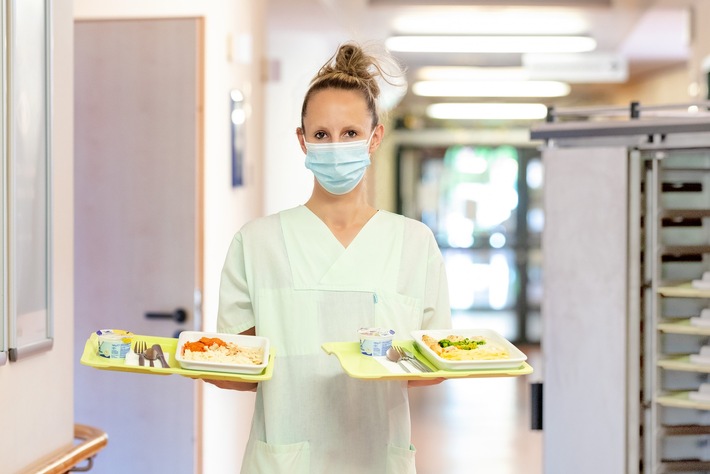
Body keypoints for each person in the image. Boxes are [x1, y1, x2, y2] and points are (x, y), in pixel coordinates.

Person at [209, 41, 452, 473]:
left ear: (374, 137)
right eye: (321, 134)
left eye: (350, 133)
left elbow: (433, 366)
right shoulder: (257, 242)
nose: (335, 146)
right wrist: (191, 362)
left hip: (377, 457)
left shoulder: (415, 243)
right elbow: (236, 367)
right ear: (302, 141)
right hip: (285, 461)